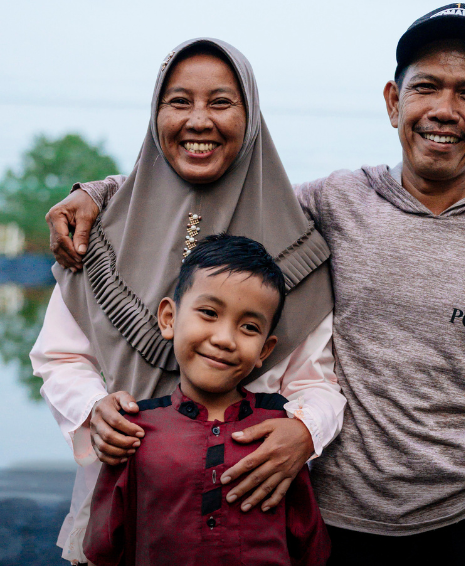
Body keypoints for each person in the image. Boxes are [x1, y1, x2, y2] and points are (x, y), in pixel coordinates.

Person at [47, 5, 465, 565]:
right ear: (392, 101)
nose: (444, 110)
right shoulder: (332, 202)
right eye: (426, 87)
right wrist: (100, 192)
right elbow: (224, 177)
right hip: (332, 516)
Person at [31, 38, 345, 565]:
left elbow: (317, 381)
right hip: (126, 513)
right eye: (178, 102)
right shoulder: (101, 233)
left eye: (221, 102)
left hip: (253, 524)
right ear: (155, 114)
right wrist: (94, 409)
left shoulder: (299, 244)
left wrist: (303, 430)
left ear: (252, 115)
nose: (199, 120)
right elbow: (59, 356)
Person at [83, 234, 330, 566]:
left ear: (265, 350)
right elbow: (104, 547)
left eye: (249, 327)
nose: (224, 339)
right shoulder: (135, 430)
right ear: (169, 318)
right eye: (209, 312)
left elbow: (309, 545)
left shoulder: (280, 431)